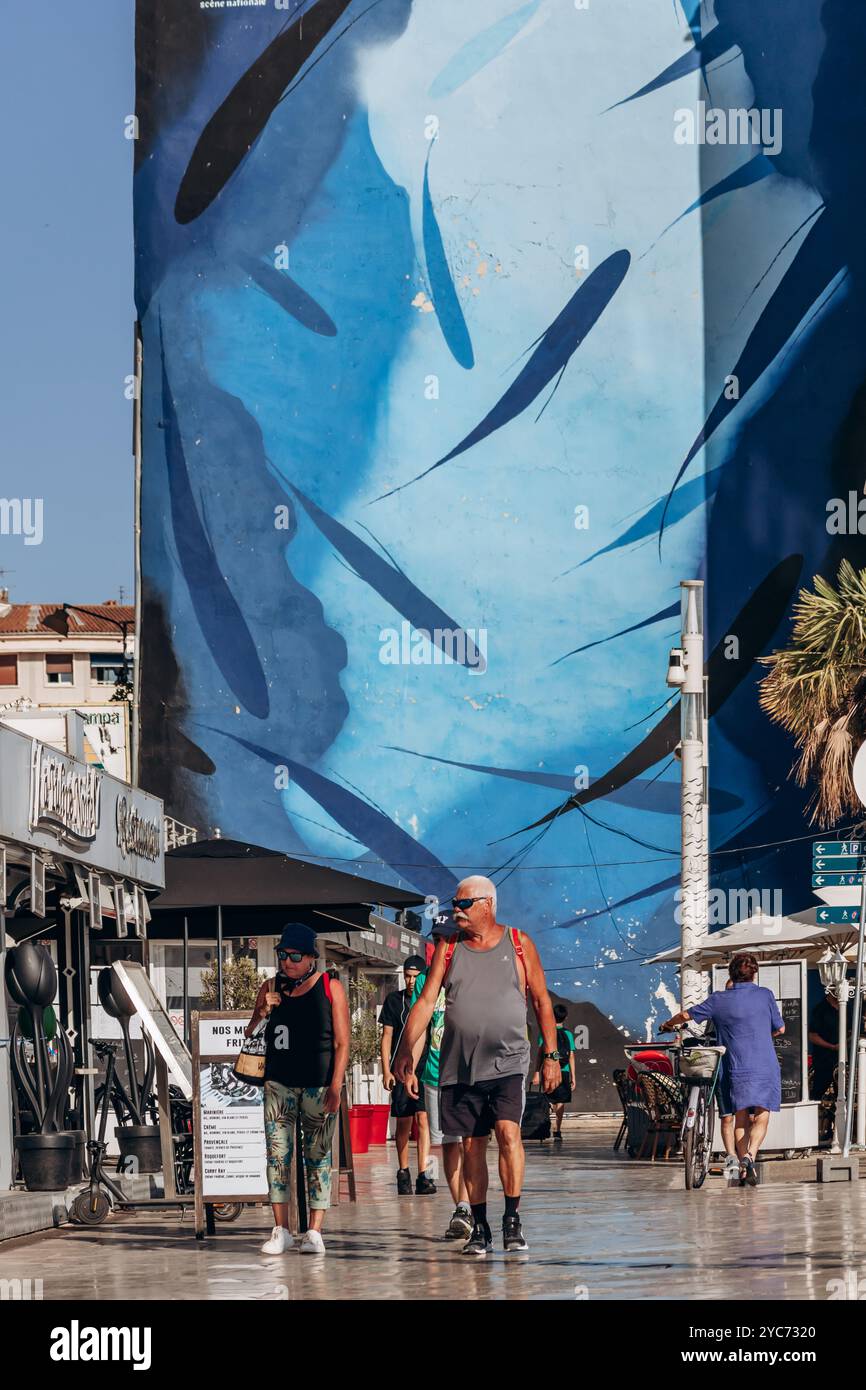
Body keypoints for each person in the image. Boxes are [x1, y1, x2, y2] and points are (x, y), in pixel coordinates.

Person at [393, 876, 561, 1255]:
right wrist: (404, 1050)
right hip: (459, 1066)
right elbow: (424, 1002)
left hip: (509, 1062)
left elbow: (541, 1002)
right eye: (455, 903)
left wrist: (551, 1056)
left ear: (487, 905)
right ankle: (481, 1227)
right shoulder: (448, 947)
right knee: (472, 1146)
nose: (456, 909)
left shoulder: (519, 944)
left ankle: (512, 1219)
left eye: (464, 904)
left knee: (507, 1134)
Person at [246, 923, 349, 1256]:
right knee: (277, 1156)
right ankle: (281, 1229)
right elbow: (251, 1033)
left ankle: (315, 1231)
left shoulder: (331, 987)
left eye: (293, 956)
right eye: (282, 955)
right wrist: (264, 1010)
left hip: (319, 1085)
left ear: (310, 958)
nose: (287, 962)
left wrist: (336, 1085)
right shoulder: (270, 987)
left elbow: (342, 1042)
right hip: (278, 1083)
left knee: (318, 1156)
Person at [661, 952, 784, 1186]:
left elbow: (686, 1015)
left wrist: (668, 1024)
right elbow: (780, 1028)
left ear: (731, 974)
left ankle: (740, 1164)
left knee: (739, 1118)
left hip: (735, 1065)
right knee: (762, 1115)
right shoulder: (765, 995)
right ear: (754, 973)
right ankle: (750, 1156)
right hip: (764, 1064)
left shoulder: (719, 999)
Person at [410, 927, 472, 1240]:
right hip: (435, 1074)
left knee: (470, 1142)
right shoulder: (423, 981)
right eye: (435, 940)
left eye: (446, 940)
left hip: (470, 1075)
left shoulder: (473, 973)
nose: (439, 946)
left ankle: (475, 1205)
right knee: (448, 1141)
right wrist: (409, 1066)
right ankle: (461, 1207)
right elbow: (421, 1027)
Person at [380, 955, 435, 1195]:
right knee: (403, 1122)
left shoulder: (429, 1001)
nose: (411, 981)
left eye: (416, 977)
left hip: (425, 1067)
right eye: (408, 976)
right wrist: (385, 1070)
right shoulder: (394, 1000)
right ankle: (403, 1171)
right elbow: (387, 1037)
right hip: (401, 1069)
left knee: (423, 1120)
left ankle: (424, 1173)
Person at [532, 1003, 575, 1141]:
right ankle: (558, 1130)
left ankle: (545, 1126)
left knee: (548, 1098)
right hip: (564, 1070)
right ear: (565, 1017)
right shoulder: (568, 1034)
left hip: (548, 1070)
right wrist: (574, 1077)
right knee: (561, 1101)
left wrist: (537, 1072)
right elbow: (571, 1056)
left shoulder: (545, 1033)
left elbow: (540, 1054)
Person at [808, 991, 840, 1102]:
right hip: (824, 1059)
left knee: (843, 1095)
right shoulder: (820, 1010)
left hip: (842, 1061)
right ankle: (815, 1117)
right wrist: (832, 1046)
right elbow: (812, 1036)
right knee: (818, 1093)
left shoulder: (847, 1008)